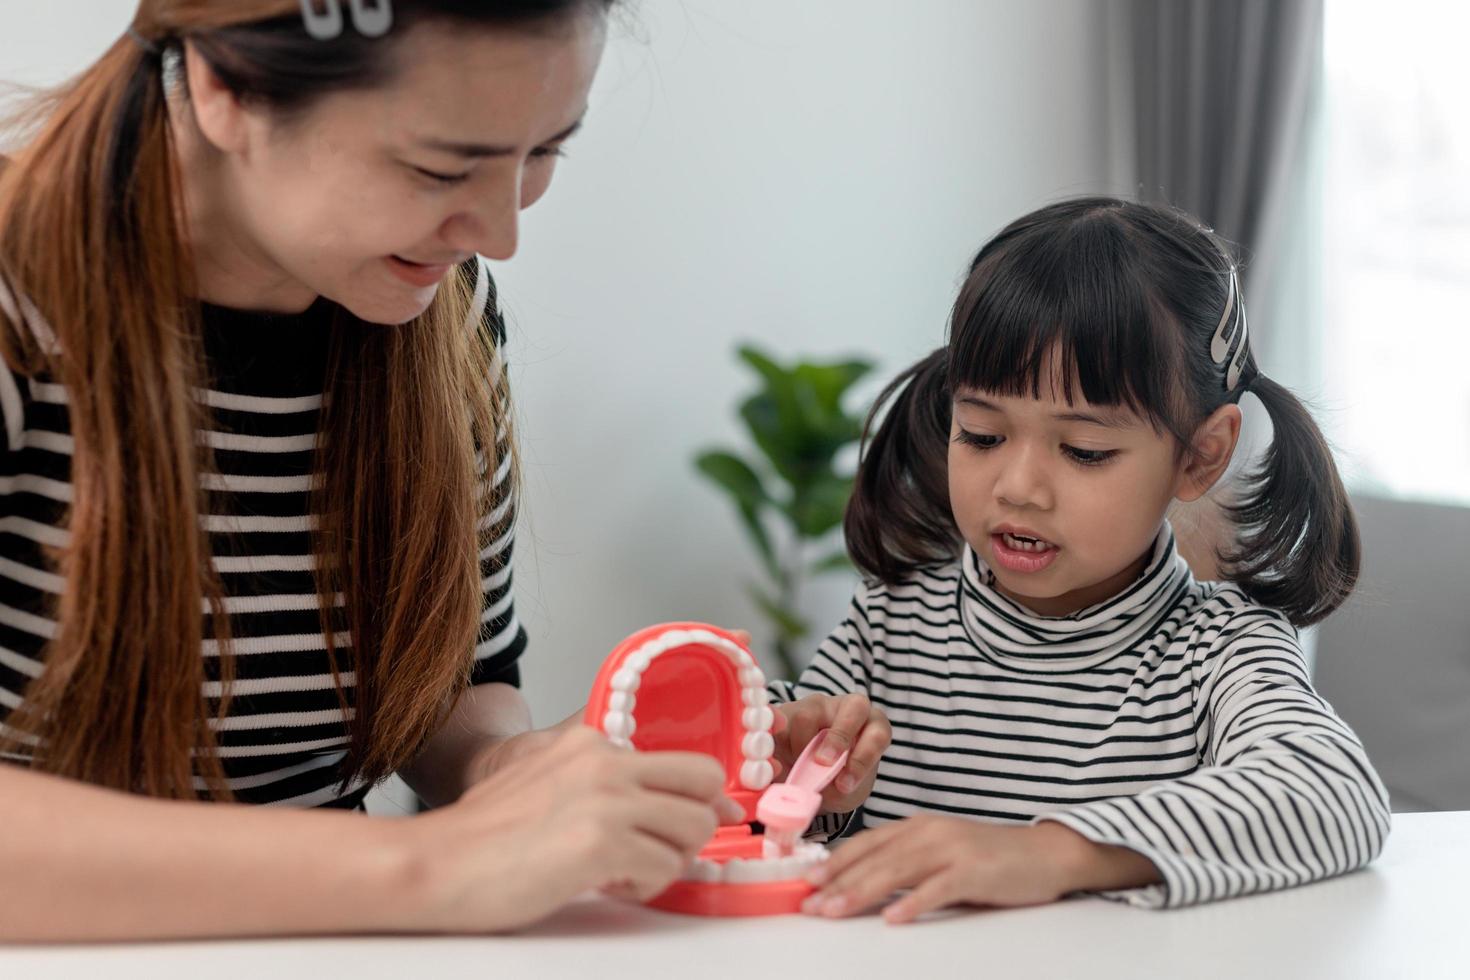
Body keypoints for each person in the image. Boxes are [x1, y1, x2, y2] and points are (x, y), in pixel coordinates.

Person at [0, 0, 775, 941]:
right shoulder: (18, 302)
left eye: (542, 153)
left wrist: (516, 772)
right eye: (438, 166)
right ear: (223, 89)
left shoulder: (437, 311)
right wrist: (434, 865)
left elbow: (459, 682)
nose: (498, 233)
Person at [772, 197, 1391, 923]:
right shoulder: (890, 625)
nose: (1019, 487)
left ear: (1200, 455)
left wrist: (1053, 855)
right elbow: (791, 816)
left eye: (1084, 450)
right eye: (981, 434)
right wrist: (793, 781)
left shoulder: (1220, 651)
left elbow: (1332, 791)